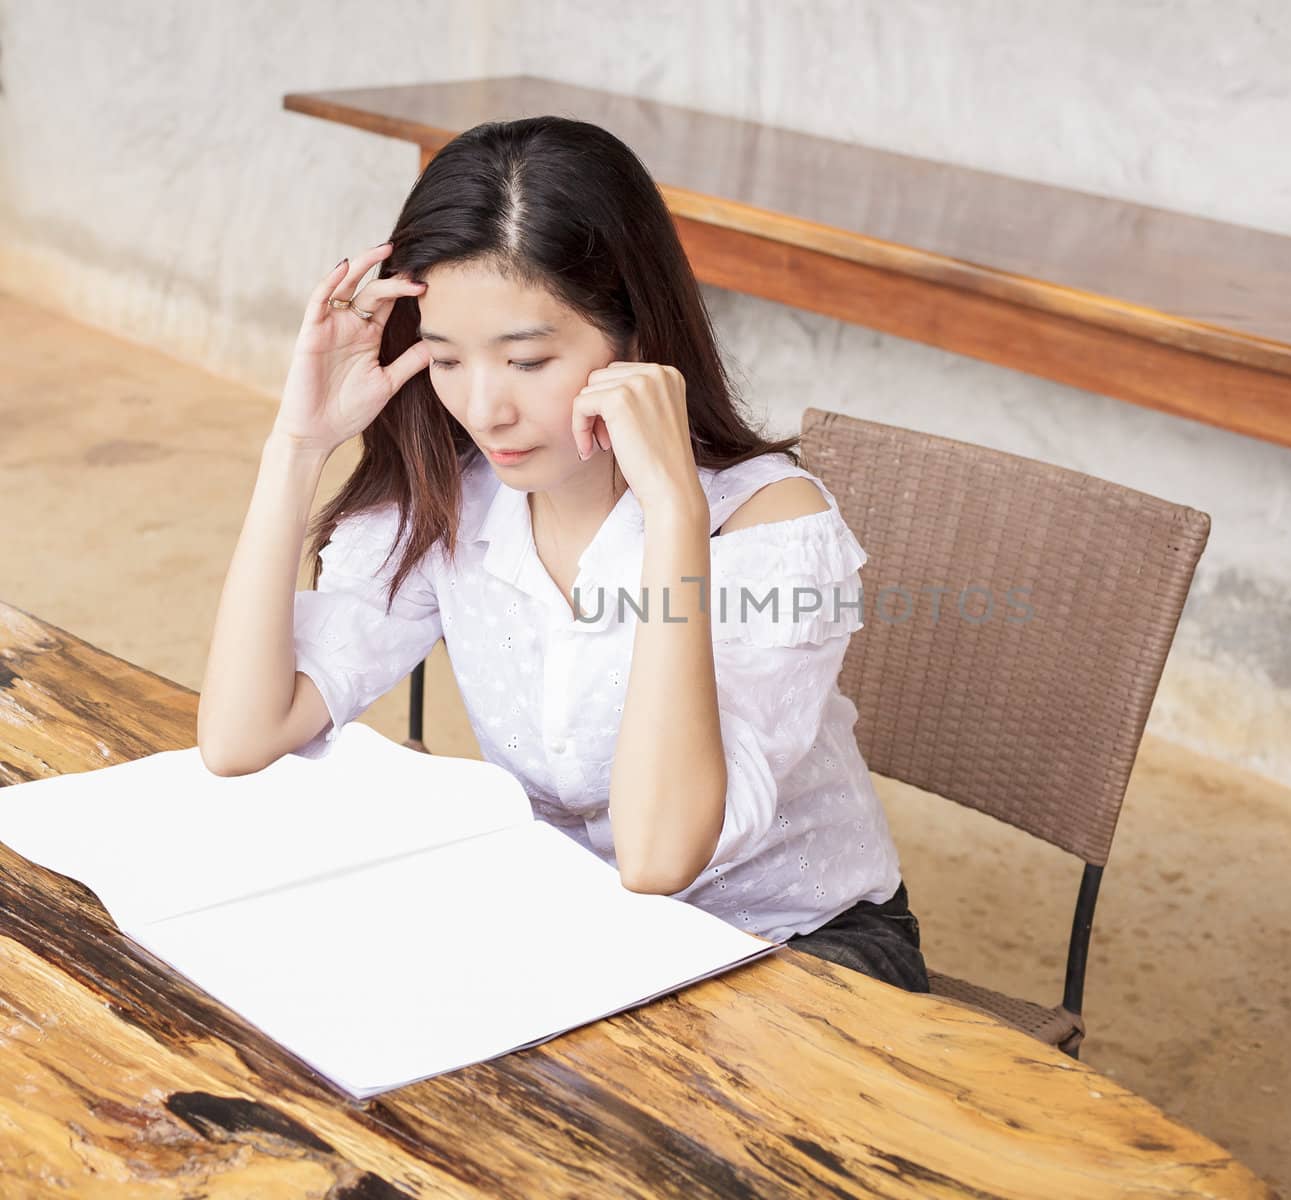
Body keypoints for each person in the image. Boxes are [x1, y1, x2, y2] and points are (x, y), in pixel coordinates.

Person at [196, 116, 929, 995]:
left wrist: (672, 516)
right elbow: (240, 737)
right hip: (581, 931)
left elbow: (660, 855)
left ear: (634, 337)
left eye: (529, 360)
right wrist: (297, 445)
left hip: (792, 950)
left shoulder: (767, 528)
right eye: (445, 359)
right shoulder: (455, 496)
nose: (484, 408)